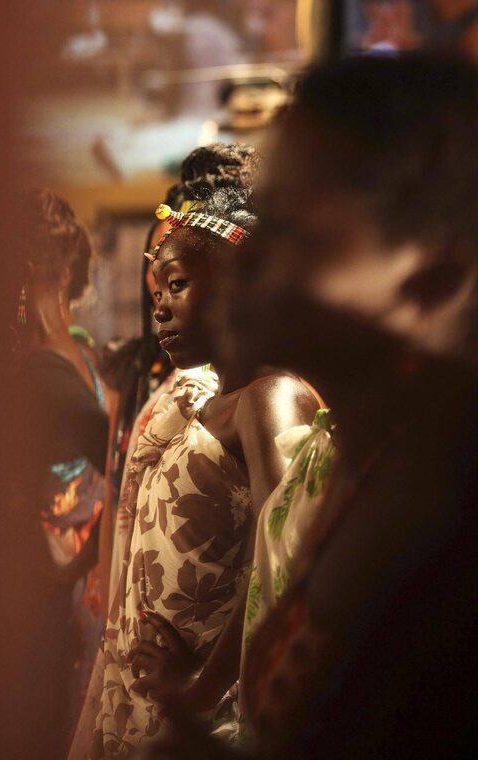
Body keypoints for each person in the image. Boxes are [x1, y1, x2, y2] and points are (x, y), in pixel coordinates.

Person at [147, 52, 478, 759]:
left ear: (433, 277)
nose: (243, 253)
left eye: (291, 230)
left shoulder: (449, 522)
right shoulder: (366, 465)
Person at [91, 185, 319, 758]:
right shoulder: (209, 403)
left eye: (177, 284)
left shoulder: (269, 398)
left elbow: (279, 569)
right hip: (158, 701)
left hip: (213, 712)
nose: (160, 308)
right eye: (155, 292)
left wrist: (200, 686)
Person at [9, 189, 108, 760]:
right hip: (60, 584)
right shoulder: (73, 357)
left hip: (55, 589)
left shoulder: (50, 361)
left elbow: (118, 466)